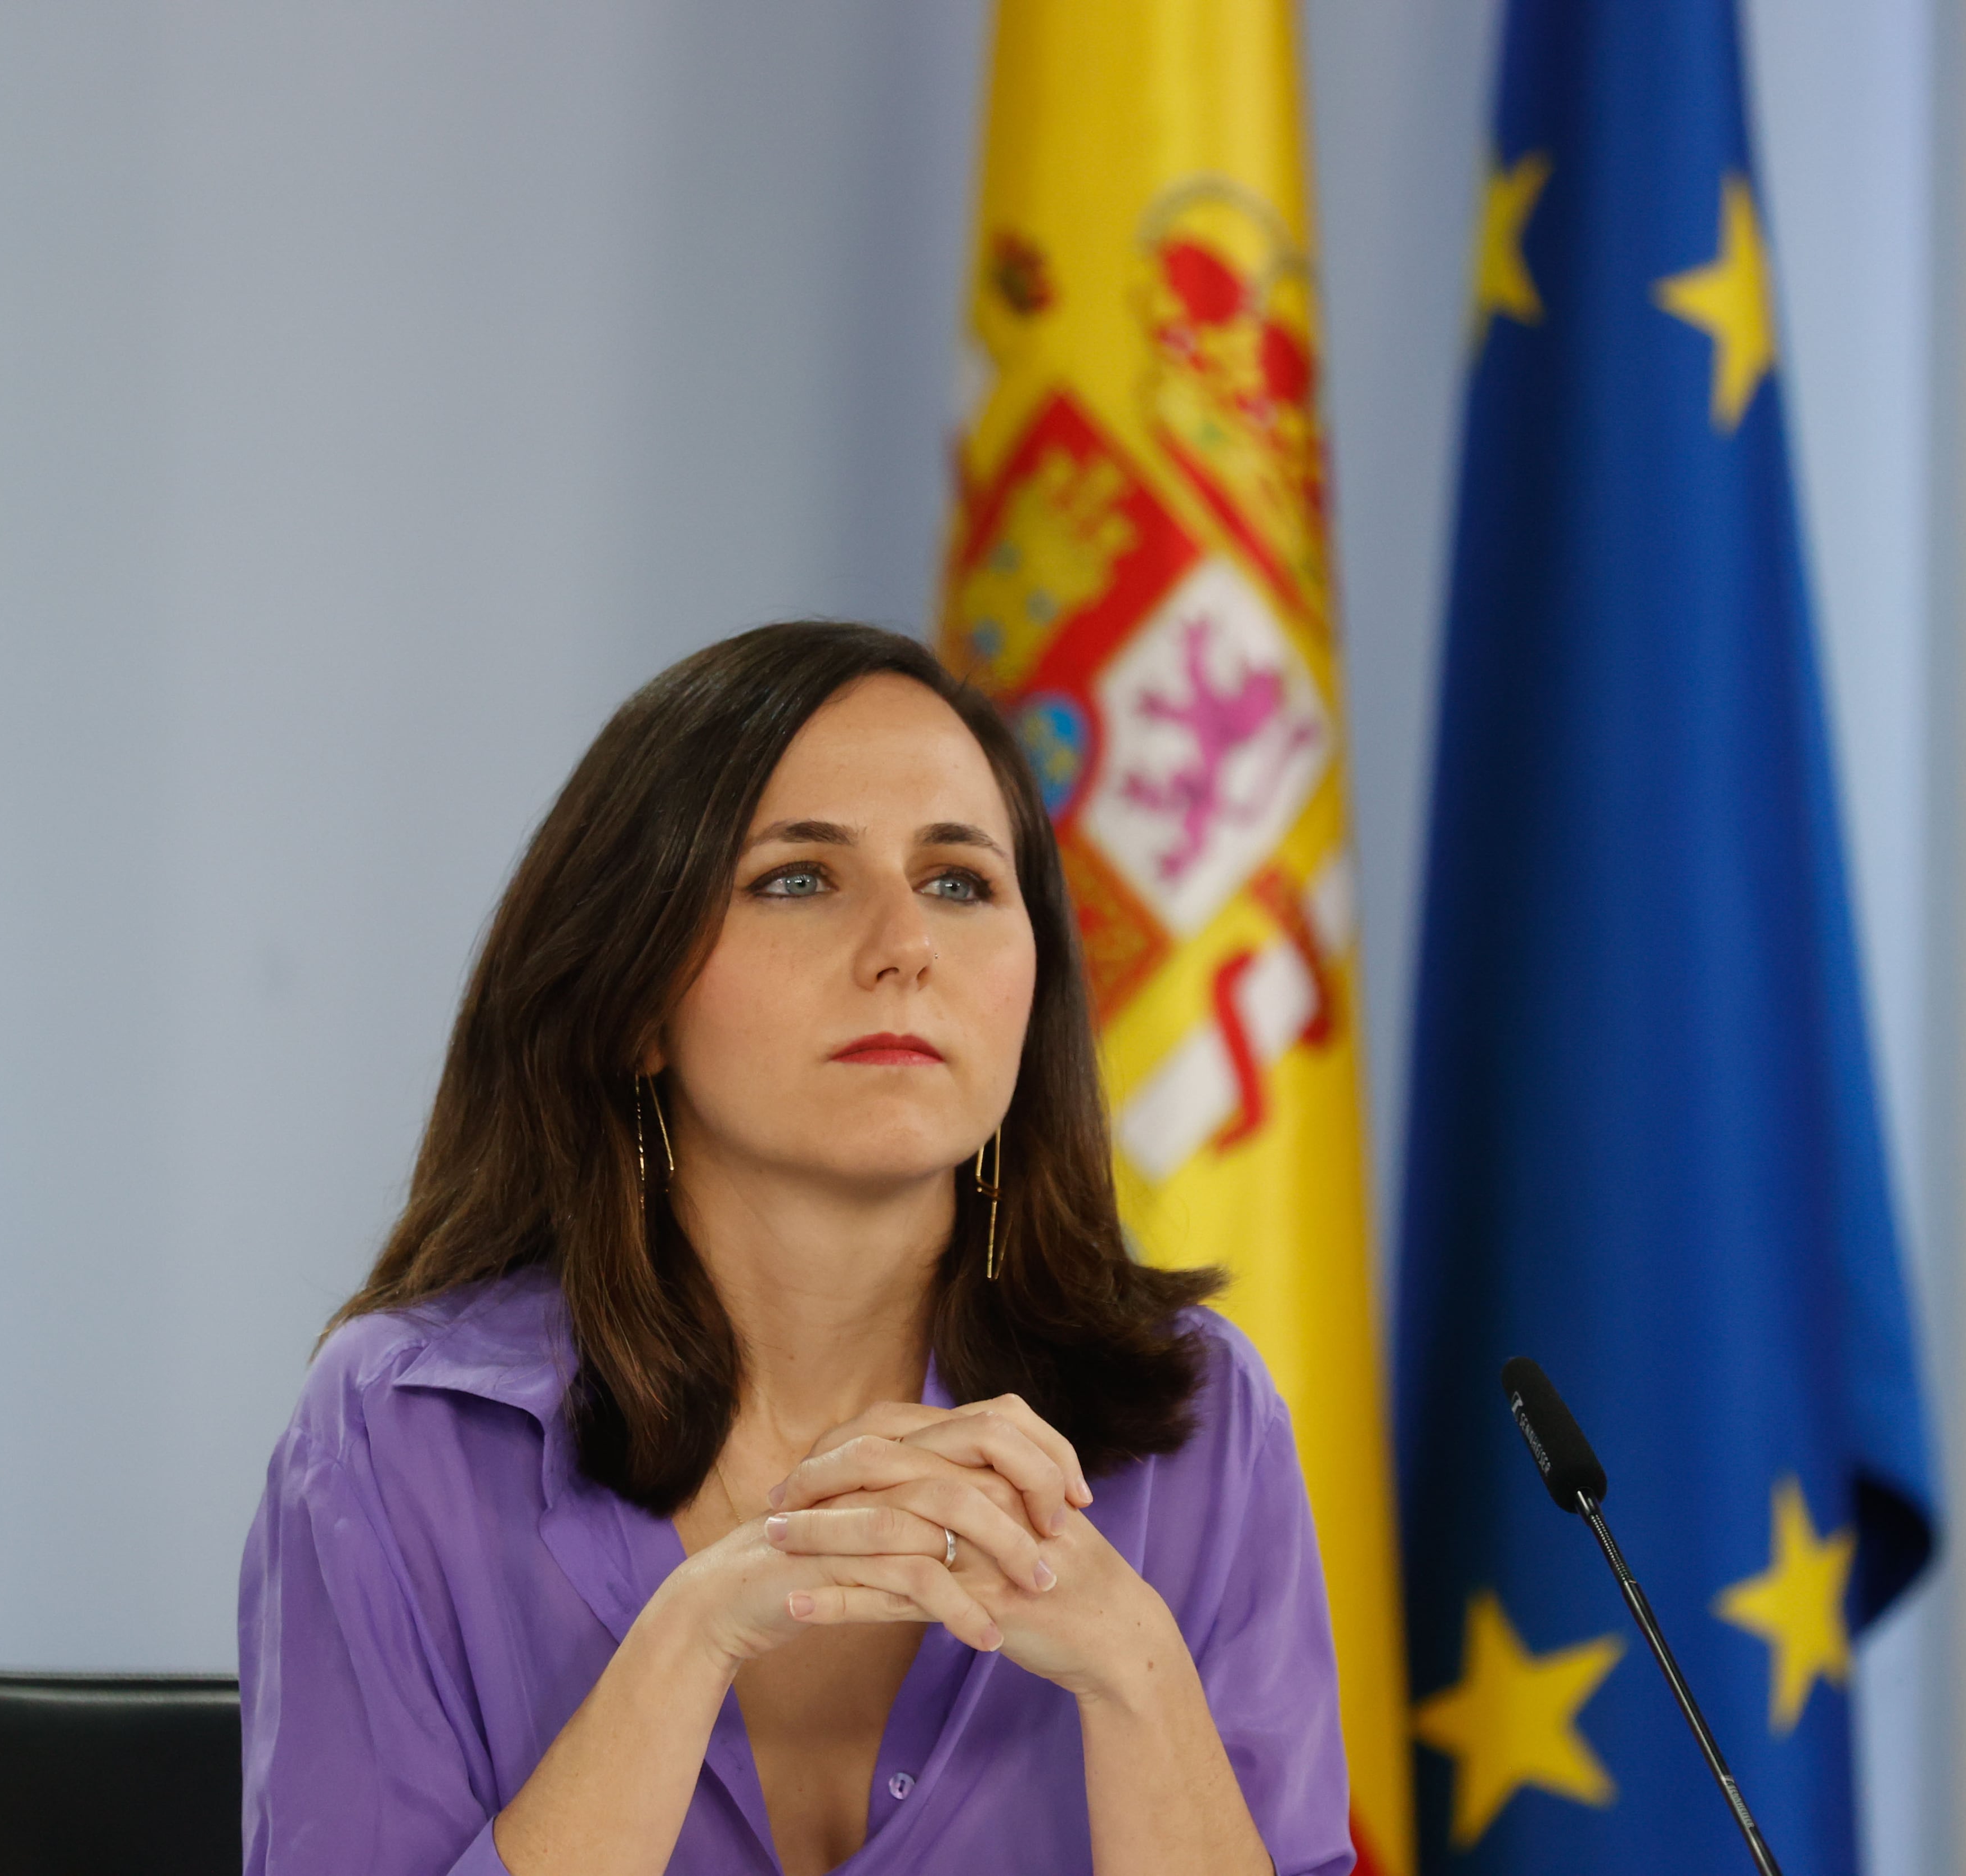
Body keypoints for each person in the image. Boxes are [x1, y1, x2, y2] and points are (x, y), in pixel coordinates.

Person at [238, 623, 1353, 1876]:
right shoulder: (402, 1433)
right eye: (798, 879)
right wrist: (687, 1643)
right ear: (637, 1001)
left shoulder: (1197, 1424)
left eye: (959, 881)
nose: (903, 946)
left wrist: (1137, 1675)